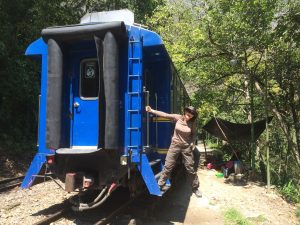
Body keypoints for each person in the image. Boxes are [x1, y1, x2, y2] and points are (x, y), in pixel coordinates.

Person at [145, 105, 202, 198]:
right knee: (168, 166)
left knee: (190, 168)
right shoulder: (178, 117)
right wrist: (152, 110)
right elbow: (165, 115)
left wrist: (192, 143)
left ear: (193, 116)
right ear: (185, 111)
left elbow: (194, 134)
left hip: (186, 147)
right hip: (175, 145)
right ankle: (160, 184)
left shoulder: (192, 123)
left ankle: (195, 187)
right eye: (189, 112)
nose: (189, 115)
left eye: (192, 114)